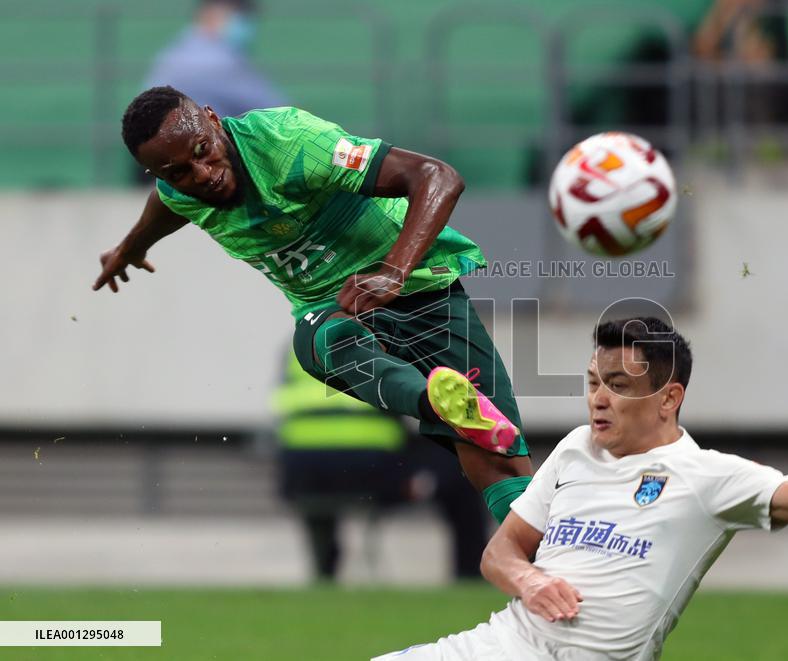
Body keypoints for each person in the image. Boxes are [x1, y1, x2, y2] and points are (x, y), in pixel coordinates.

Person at [375, 317, 788, 660]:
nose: (598, 397)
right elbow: (500, 553)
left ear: (670, 398)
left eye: (617, 383)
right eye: (592, 381)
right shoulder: (572, 450)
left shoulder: (709, 478)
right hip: (499, 647)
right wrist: (531, 579)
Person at [94, 86, 532, 525]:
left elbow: (438, 177)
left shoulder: (290, 141)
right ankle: (438, 402)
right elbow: (164, 207)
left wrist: (393, 270)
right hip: (335, 307)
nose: (202, 174)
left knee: (501, 453)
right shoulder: (179, 192)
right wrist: (129, 248)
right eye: (178, 172)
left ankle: (547, 574)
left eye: (203, 151)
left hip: (419, 285)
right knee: (317, 341)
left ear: (212, 118)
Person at [273, 349, 488, 579]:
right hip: (370, 472)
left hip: (302, 475)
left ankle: (325, 568)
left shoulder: (297, 345)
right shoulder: (387, 335)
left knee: (322, 460)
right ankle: (470, 574)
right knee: (462, 470)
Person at [143, 0, 286, 121]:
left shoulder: (177, 50)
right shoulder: (218, 60)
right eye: (238, 15)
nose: (245, 24)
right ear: (209, 14)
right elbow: (281, 115)